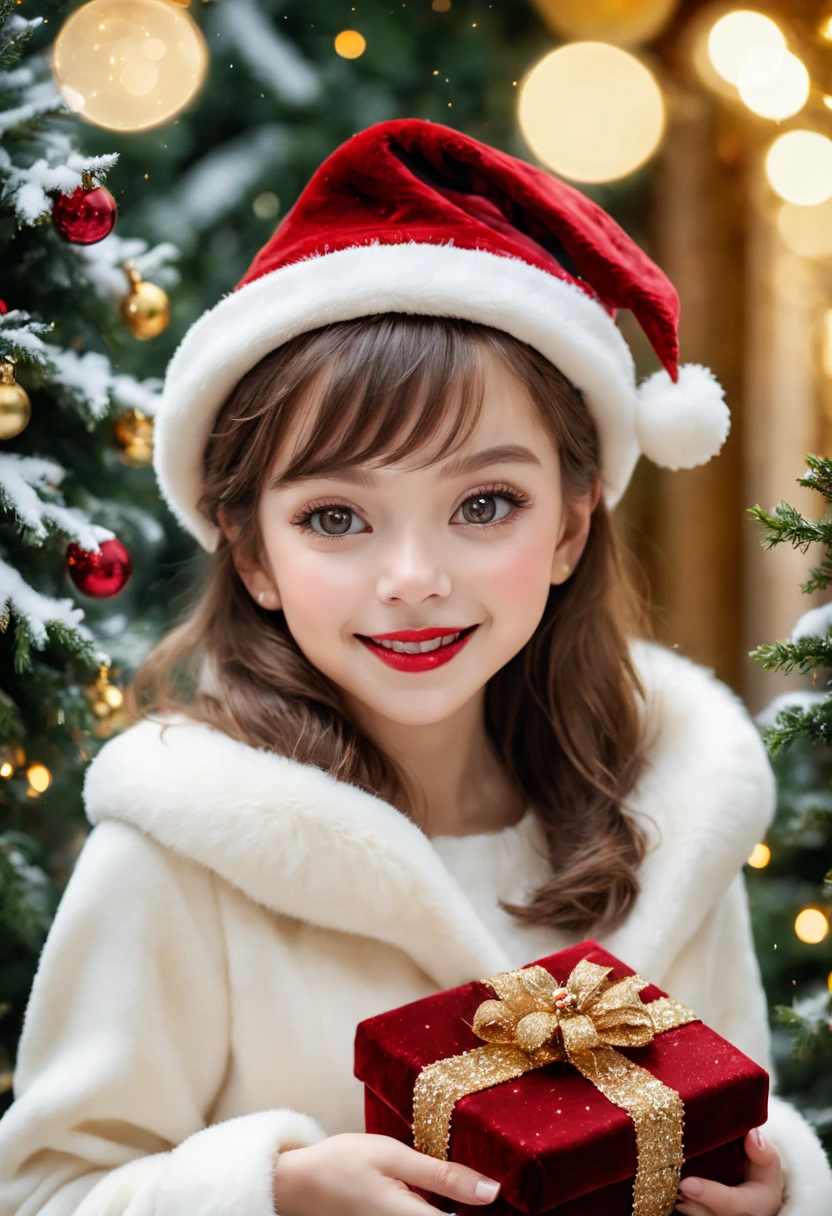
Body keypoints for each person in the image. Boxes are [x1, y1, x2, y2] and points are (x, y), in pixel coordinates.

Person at [0, 117, 829, 1216]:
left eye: (484, 505)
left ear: (575, 524)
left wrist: (773, 1193)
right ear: (249, 550)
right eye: (336, 516)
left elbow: (737, 1115)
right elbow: (46, 1188)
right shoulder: (181, 853)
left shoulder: (670, 818)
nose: (411, 576)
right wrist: (275, 1193)